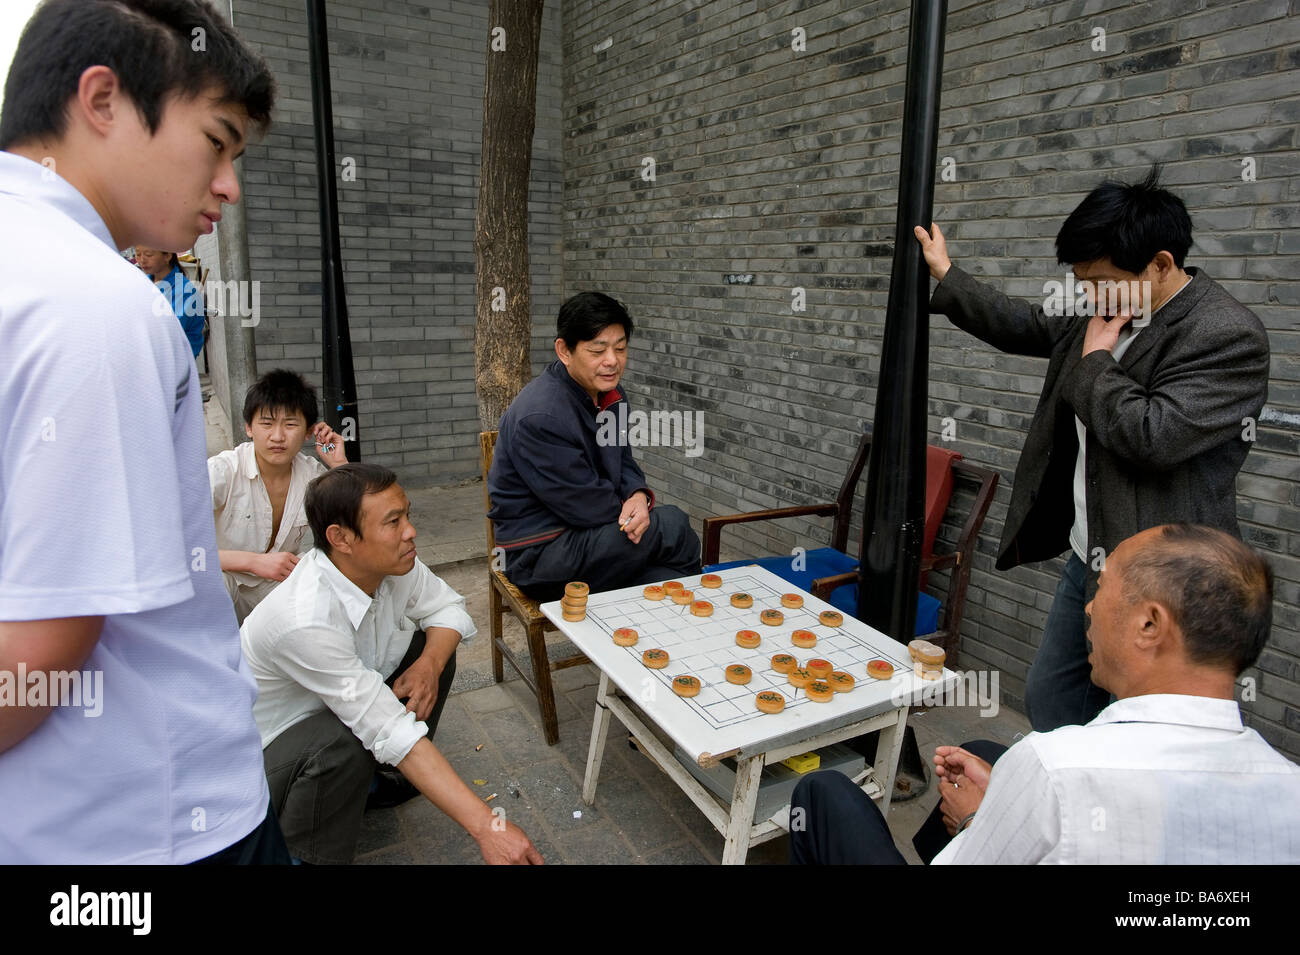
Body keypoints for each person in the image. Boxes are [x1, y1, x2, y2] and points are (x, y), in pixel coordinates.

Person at [0, 0, 284, 862]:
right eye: (218, 140)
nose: (230, 184)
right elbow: (42, 645)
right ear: (103, 101)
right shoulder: (93, 305)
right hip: (149, 820)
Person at [913, 168, 1270, 732]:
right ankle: (1067, 801)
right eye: (1082, 281)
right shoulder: (1106, 309)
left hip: (1168, 580)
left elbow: (1153, 437)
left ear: (1160, 263)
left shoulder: (1225, 335)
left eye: (1100, 279)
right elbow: (1027, 324)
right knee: (1053, 699)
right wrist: (948, 275)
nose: (1089, 295)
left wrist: (1096, 362)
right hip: (1092, 556)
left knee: (1147, 725)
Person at [790, 525, 1300, 864]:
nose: (1088, 608)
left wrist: (975, 821)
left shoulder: (1056, 767)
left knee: (823, 794)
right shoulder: (1289, 791)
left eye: (1102, 589)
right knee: (989, 754)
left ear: (1149, 624)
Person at [241, 463, 543, 865]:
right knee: (342, 740)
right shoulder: (304, 618)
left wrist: (429, 665)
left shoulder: (392, 564)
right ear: (341, 538)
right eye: (393, 522)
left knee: (430, 649)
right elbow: (384, 725)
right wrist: (489, 827)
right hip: (266, 765)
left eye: (408, 515)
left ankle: (385, 783)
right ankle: (303, 854)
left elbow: (449, 609)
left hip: (337, 716)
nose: (410, 531)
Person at [488, 291, 701, 601]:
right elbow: (585, 504)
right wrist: (639, 517)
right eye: (598, 350)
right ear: (564, 350)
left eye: (620, 348)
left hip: (592, 534)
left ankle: (640, 637)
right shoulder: (540, 416)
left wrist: (638, 496)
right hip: (541, 553)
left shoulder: (611, 396)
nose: (612, 361)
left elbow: (623, 462)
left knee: (663, 577)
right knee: (673, 526)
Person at [209, 369, 346, 623]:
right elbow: (174, 548)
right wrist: (253, 562)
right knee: (208, 581)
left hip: (278, 590)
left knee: (327, 569)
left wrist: (339, 464)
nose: (277, 436)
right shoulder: (223, 471)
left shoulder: (313, 476)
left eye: (291, 424)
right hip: (225, 588)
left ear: (308, 432)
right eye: (267, 423)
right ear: (249, 428)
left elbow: (361, 520)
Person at [136, 245, 205, 358]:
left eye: (148, 254)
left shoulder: (184, 291)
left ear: (167, 256)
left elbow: (168, 332)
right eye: (138, 254)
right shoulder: (145, 284)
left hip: (174, 362)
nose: (142, 260)